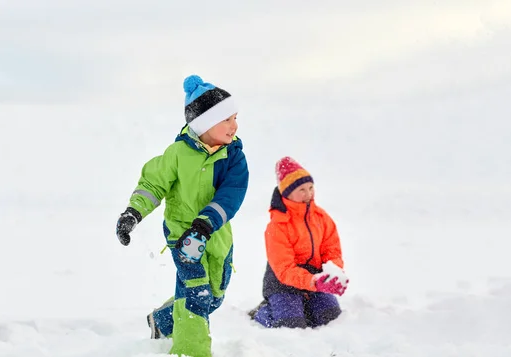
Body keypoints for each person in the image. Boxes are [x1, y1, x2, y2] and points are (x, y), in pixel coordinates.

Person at [115, 74, 249, 357]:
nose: (234, 125)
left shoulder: (234, 156)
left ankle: (162, 320)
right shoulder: (177, 154)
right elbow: (153, 183)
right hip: (182, 236)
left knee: (214, 295)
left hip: (215, 235)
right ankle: (190, 352)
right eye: (227, 119)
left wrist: (206, 222)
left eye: (235, 118)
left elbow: (232, 194)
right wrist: (133, 213)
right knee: (196, 296)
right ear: (205, 123)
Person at [249, 156, 348, 329]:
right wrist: (313, 282)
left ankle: (305, 305)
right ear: (287, 193)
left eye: (310, 188)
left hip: (315, 281)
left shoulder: (322, 218)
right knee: (291, 324)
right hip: (283, 285)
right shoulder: (277, 226)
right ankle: (263, 311)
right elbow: (284, 269)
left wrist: (333, 274)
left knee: (331, 318)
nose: (308, 194)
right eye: (302, 190)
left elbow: (332, 251)